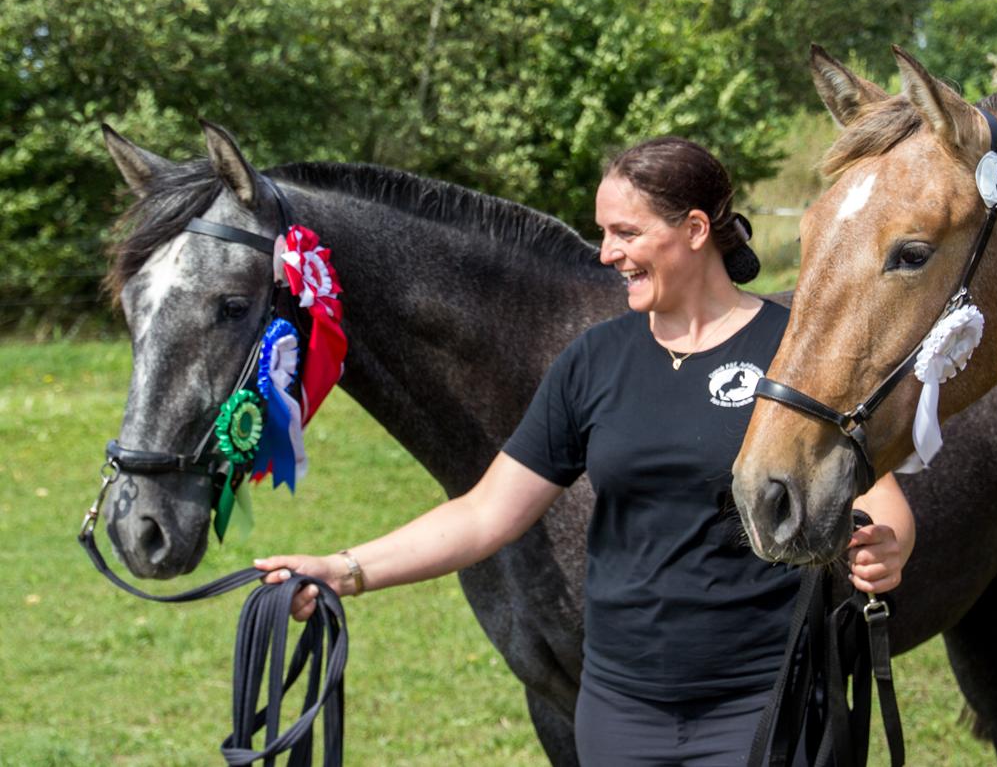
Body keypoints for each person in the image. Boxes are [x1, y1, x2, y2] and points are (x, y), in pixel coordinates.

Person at [254, 137, 915, 766]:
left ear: (692, 230)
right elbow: (488, 512)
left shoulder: (789, 348)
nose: (606, 254)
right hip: (619, 712)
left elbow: (880, 497)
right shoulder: (595, 361)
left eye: (626, 234)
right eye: (603, 234)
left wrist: (892, 545)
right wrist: (344, 570)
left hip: (763, 707)